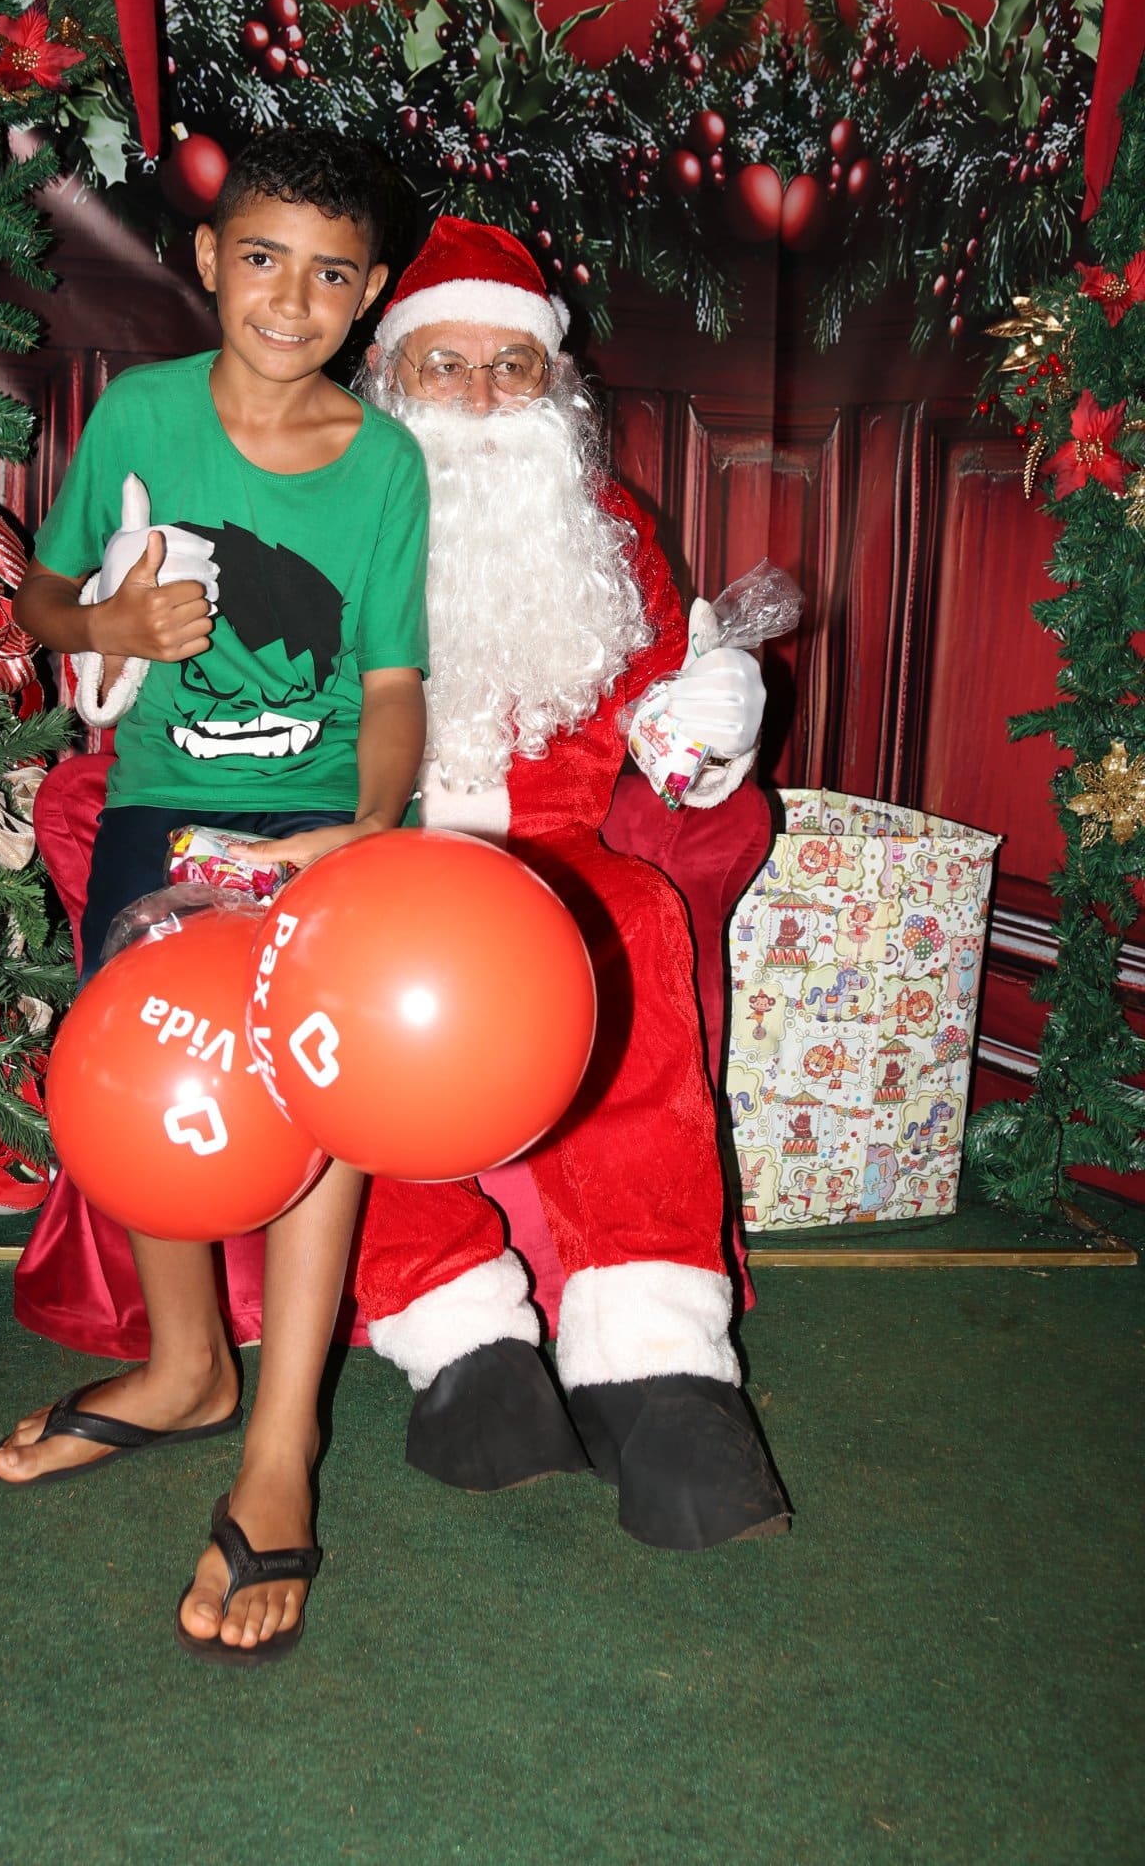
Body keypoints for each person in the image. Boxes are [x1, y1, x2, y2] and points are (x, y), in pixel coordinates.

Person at [0, 130, 428, 1662]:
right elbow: (43, 598)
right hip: (164, 811)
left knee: (316, 1092)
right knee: (136, 1071)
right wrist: (109, 623)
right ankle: (187, 1366)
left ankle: (282, 1441)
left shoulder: (386, 464)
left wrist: (365, 829)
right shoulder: (142, 415)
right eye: (262, 260)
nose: (290, 301)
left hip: (325, 821)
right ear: (205, 261)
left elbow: (392, 683)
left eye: (329, 276)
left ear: (369, 294)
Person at [330, 215, 791, 1549]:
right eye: (446, 365)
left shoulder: (606, 530)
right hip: (372, 849)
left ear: (555, 387)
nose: (480, 397)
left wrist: (713, 717)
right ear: (391, 379)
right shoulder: (322, 514)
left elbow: (670, 743)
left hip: (557, 852)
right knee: (353, 978)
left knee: (635, 923)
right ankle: (460, 1340)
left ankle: (655, 1359)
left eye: (511, 367)